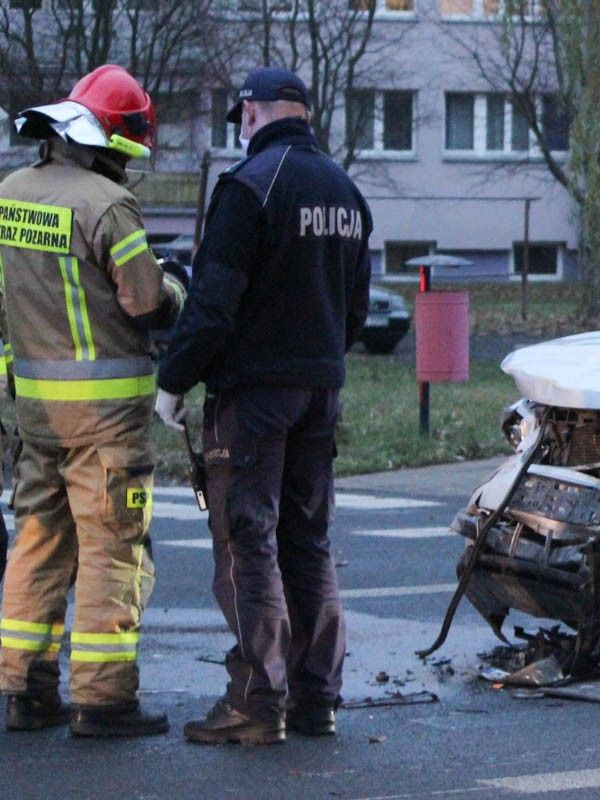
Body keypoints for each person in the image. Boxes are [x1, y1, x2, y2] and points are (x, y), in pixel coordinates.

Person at [155, 67, 371, 745]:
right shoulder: (345, 191)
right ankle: (316, 697)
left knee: (248, 541)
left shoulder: (249, 186)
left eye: (241, 116)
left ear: (252, 113)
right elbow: (356, 312)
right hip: (320, 391)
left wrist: (174, 381)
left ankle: (255, 700)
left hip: (253, 398)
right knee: (307, 540)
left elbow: (213, 303)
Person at [0, 65, 185, 737]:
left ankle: (25, 691)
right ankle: (103, 700)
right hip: (105, 423)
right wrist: (178, 288)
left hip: (35, 414)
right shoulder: (107, 206)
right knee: (112, 549)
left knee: (38, 543)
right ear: (111, 143)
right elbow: (145, 300)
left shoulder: (9, 194)